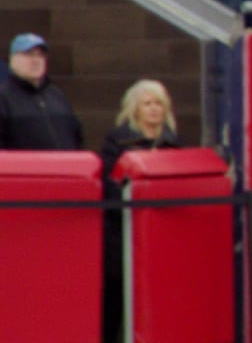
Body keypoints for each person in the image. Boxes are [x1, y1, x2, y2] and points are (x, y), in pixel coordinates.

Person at [99, 79, 180, 343]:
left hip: (162, 238)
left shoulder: (173, 144)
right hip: (122, 238)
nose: (154, 109)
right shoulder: (117, 142)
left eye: (159, 103)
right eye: (148, 104)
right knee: (115, 305)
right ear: (135, 109)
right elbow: (108, 186)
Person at [0, 33, 82, 150]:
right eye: (29, 55)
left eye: (40, 55)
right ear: (13, 59)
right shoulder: (3, 97)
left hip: (64, 167)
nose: (36, 60)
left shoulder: (57, 96)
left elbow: (76, 136)